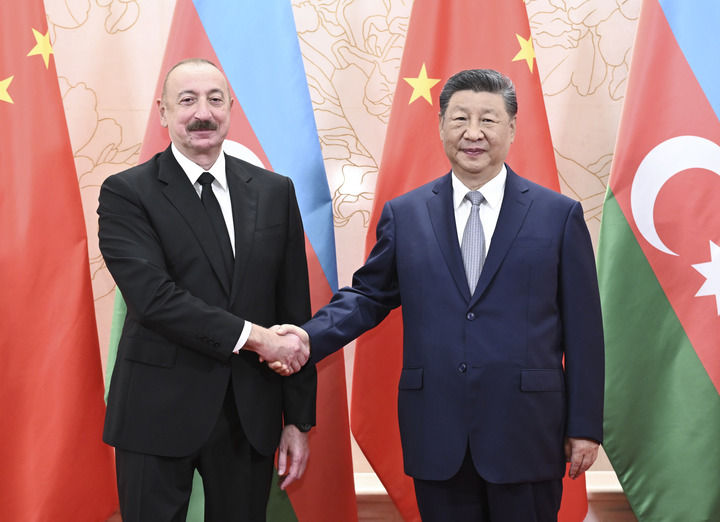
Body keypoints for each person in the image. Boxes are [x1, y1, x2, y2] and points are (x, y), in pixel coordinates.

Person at [275, 69, 604, 521]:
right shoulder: (406, 214)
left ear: (512, 128)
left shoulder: (558, 215)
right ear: (441, 126)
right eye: (460, 118)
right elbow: (368, 296)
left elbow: (585, 331)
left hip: (527, 431)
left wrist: (584, 426)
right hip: (438, 431)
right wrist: (307, 338)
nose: (473, 133)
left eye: (488, 120)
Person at [98, 58, 315, 522]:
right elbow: (155, 299)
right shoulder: (127, 193)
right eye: (187, 100)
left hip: (248, 414)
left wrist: (298, 420)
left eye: (215, 100)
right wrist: (256, 338)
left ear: (230, 108)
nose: (203, 112)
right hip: (155, 412)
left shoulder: (275, 192)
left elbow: (293, 308)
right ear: (163, 112)